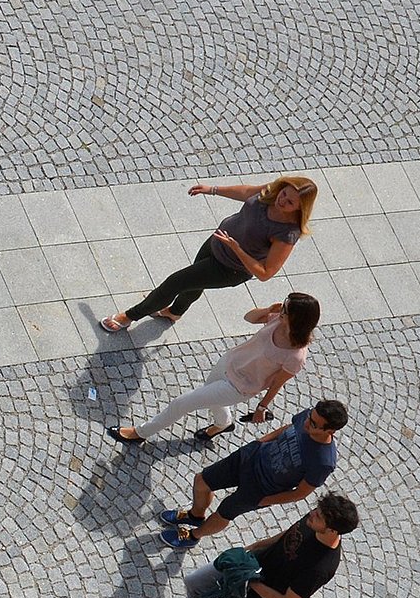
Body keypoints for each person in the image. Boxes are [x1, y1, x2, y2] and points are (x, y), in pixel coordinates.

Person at [143, 493, 356, 598]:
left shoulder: (321, 567)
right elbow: (286, 535)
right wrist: (252, 548)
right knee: (194, 582)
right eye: (316, 509)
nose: (311, 513)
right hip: (249, 564)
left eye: (318, 515)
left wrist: (252, 581)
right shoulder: (313, 521)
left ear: (332, 530)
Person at [98, 176, 316, 332]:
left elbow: (266, 273)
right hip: (216, 243)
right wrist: (212, 189)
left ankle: (128, 317)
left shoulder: (287, 233)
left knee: (174, 283)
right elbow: (247, 192)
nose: (282, 200)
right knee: (193, 283)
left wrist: (237, 248)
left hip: (229, 268)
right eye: (284, 193)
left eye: (290, 202)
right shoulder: (273, 192)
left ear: (300, 208)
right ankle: (175, 312)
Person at [108, 293, 319, 446]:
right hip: (229, 362)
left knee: (182, 403)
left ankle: (140, 433)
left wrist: (262, 407)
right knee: (212, 399)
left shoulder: (296, 356)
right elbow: (249, 318)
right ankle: (224, 424)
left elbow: (277, 383)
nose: (281, 310)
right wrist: (268, 310)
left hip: (240, 387)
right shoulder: (276, 320)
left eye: (285, 309)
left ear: (296, 319)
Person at [159, 399, 347, 549]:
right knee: (201, 481)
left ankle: (193, 536)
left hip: (262, 488)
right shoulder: (309, 416)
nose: (307, 422)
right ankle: (195, 515)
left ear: (330, 430)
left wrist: (265, 501)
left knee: (224, 513)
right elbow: (288, 428)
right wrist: (260, 442)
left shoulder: (323, 462)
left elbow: (300, 493)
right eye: (309, 417)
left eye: (314, 424)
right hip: (251, 457)